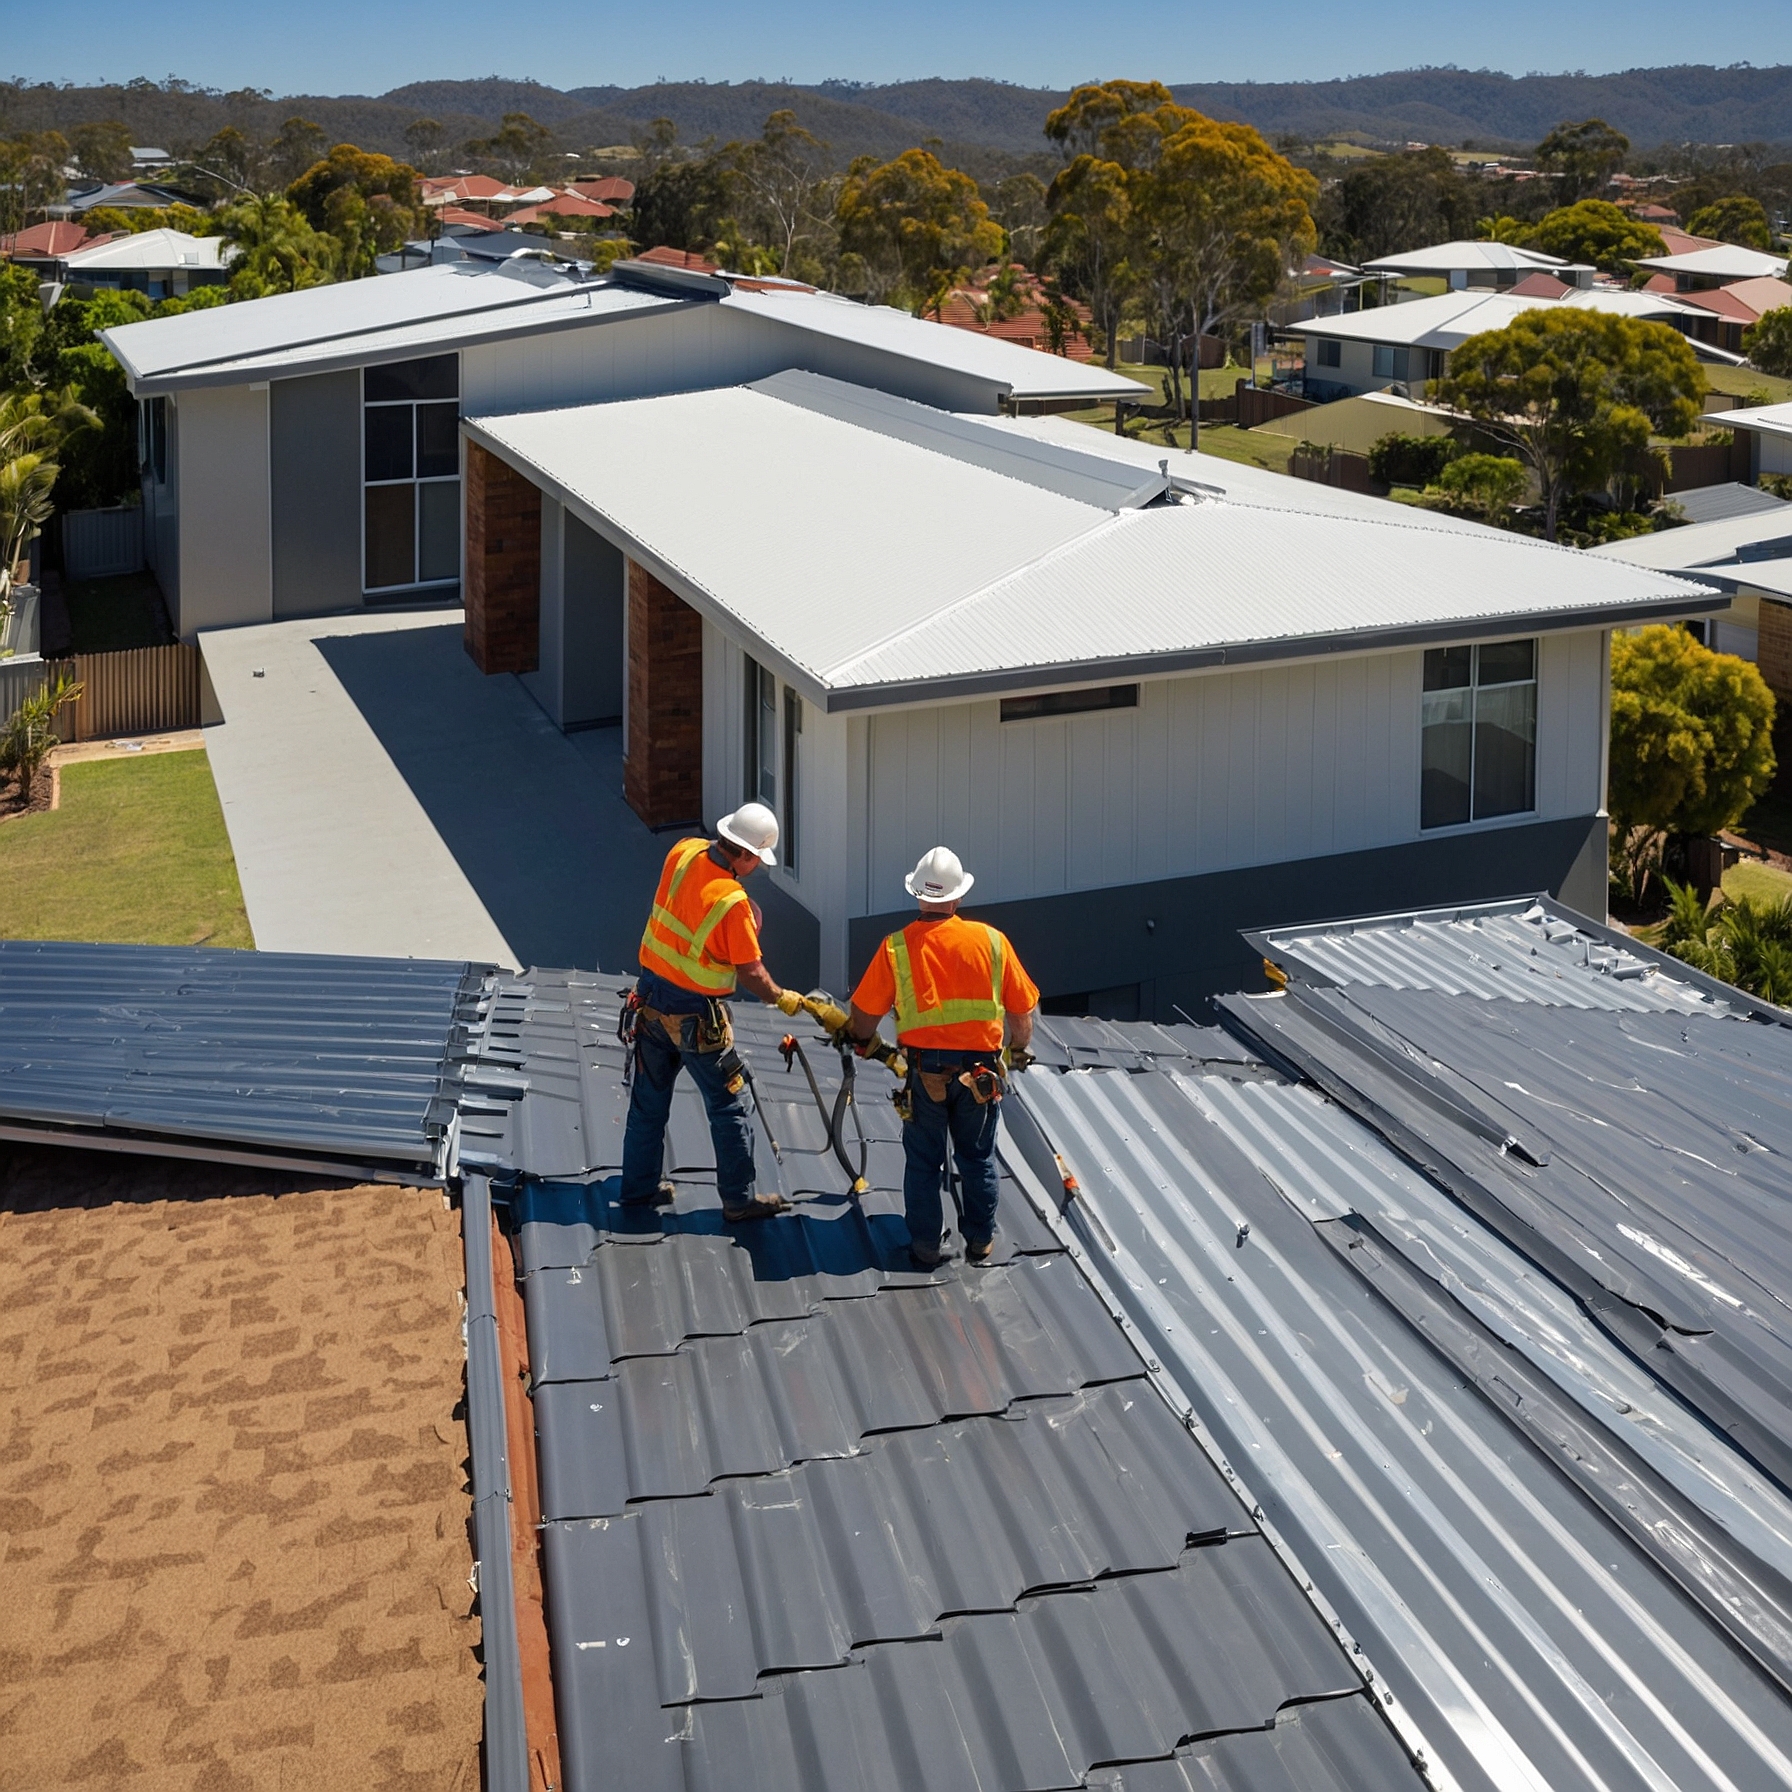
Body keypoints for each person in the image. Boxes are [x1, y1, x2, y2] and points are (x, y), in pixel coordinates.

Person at [846, 846, 1039, 1266]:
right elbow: (1022, 1014)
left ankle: (926, 1246)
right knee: (977, 1158)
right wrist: (1019, 1048)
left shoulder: (896, 947)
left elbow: (863, 1015)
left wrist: (860, 1040)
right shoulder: (992, 942)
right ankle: (980, 1240)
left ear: (919, 895)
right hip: (982, 1074)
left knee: (923, 1162)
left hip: (925, 1073)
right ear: (957, 896)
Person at [620, 802, 808, 1222]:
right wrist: (781, 997)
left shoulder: (683, 851)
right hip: (695, 1018)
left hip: (651, 1001)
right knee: (730, 1108)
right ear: (744, 854)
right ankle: (738, 1200)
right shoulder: (732, 901)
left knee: (648, 1104)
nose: (759, 864)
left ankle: (637, 1191)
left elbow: (688, 911)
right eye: (758, 856)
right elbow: (752, 972)